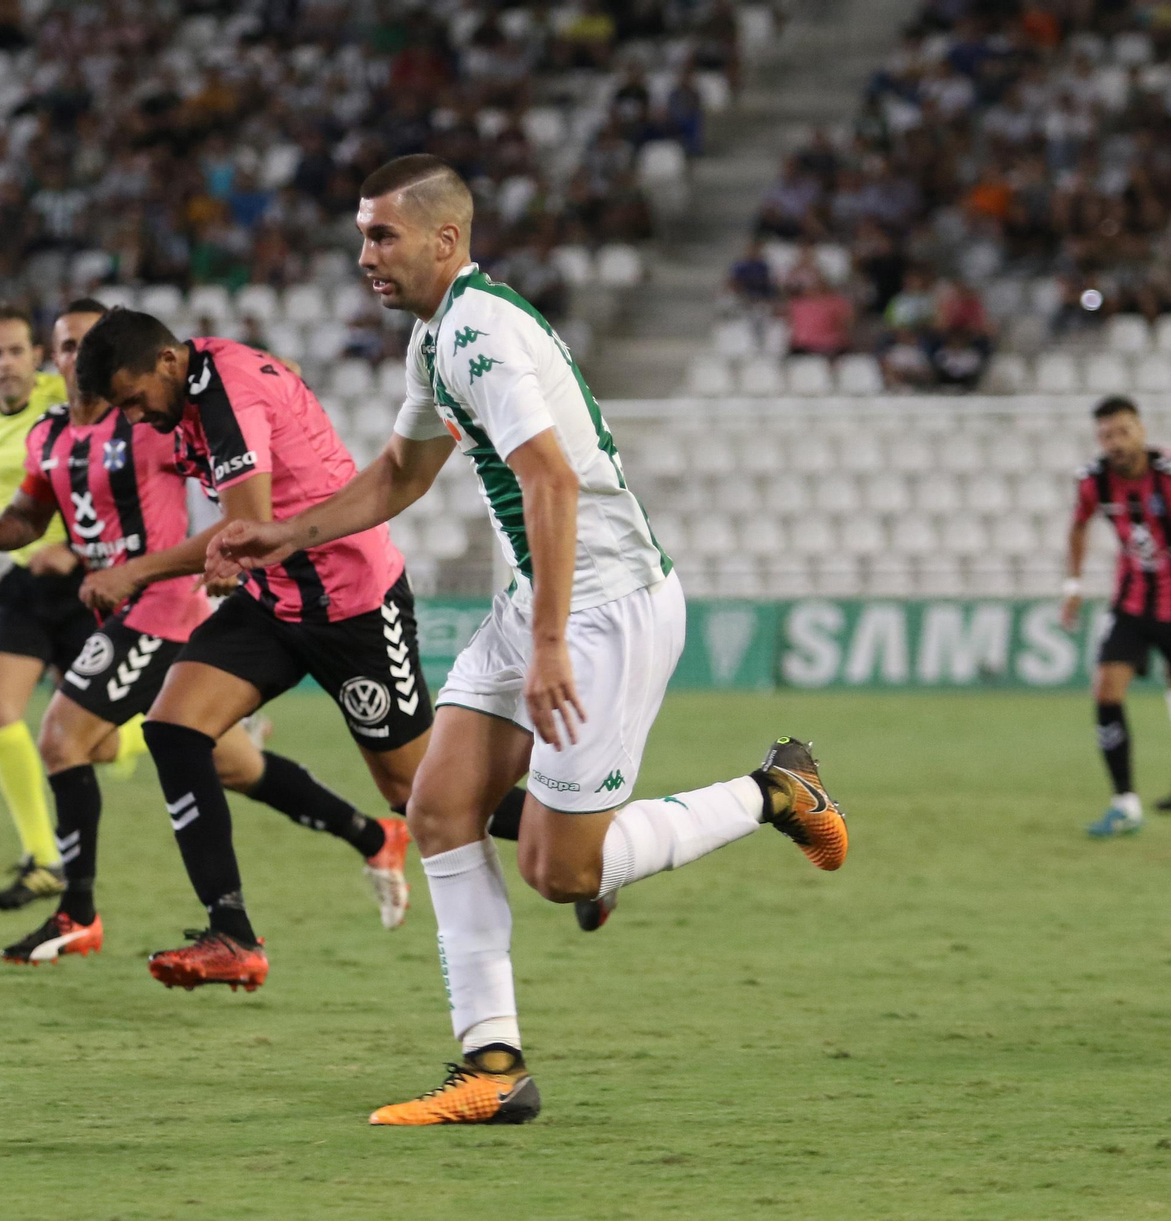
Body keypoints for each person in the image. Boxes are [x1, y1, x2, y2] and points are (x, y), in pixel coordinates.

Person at [209, 154, 850, 1125]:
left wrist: (548, 645)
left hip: (604, 609)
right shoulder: (437, 339)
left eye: (381, 235)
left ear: (445, 238)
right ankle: (491, 1068)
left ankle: (776, 791)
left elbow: (550, 480)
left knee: (562, 873)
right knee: (437, 810)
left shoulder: (481, 336)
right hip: (541, 599)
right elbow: (398, 473)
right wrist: (283, 533)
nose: (364, 255)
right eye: (360, 234)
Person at [69, 306, 531, 990]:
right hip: (274, 600)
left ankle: (584, 839)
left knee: (420, 793)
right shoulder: (193, 386)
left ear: (168, 362)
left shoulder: (223, 389)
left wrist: (135, 572)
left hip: (352, 603)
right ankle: (231, 932)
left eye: (137, 400)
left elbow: (247, 528)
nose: (137, 419)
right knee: (172, 727)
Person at [0, 299, 415, 967]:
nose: (77, 357)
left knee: (63, 735)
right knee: (230, 764)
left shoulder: (151, 423)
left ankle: (77, 911)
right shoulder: (48, 435)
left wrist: (273, 380)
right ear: (56, 360)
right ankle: (372, 835)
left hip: (165, 603)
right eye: (68, 345)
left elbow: (240, 430)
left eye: (88, 343)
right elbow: (29, 512)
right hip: (120, 599)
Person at [0, 301, 104, 910]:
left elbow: (105, 476)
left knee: (102, 745)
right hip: (22, 578)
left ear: (38, 356)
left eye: (17, 351)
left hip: (88, 575)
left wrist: (72, 544)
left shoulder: (66, 401)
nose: (6, 363)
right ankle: (44, 859)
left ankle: (217, 718)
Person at [1063, 396, 1171, 836]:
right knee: (1106, 689)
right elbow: (1078, 524)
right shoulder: (1095, 482)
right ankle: (1125, 804)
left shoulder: (1167, 477)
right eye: (1107, 435)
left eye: (1123, 431)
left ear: (1141, 431)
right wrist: (1072, 586)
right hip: (1130, 602)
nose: (1116, 443)